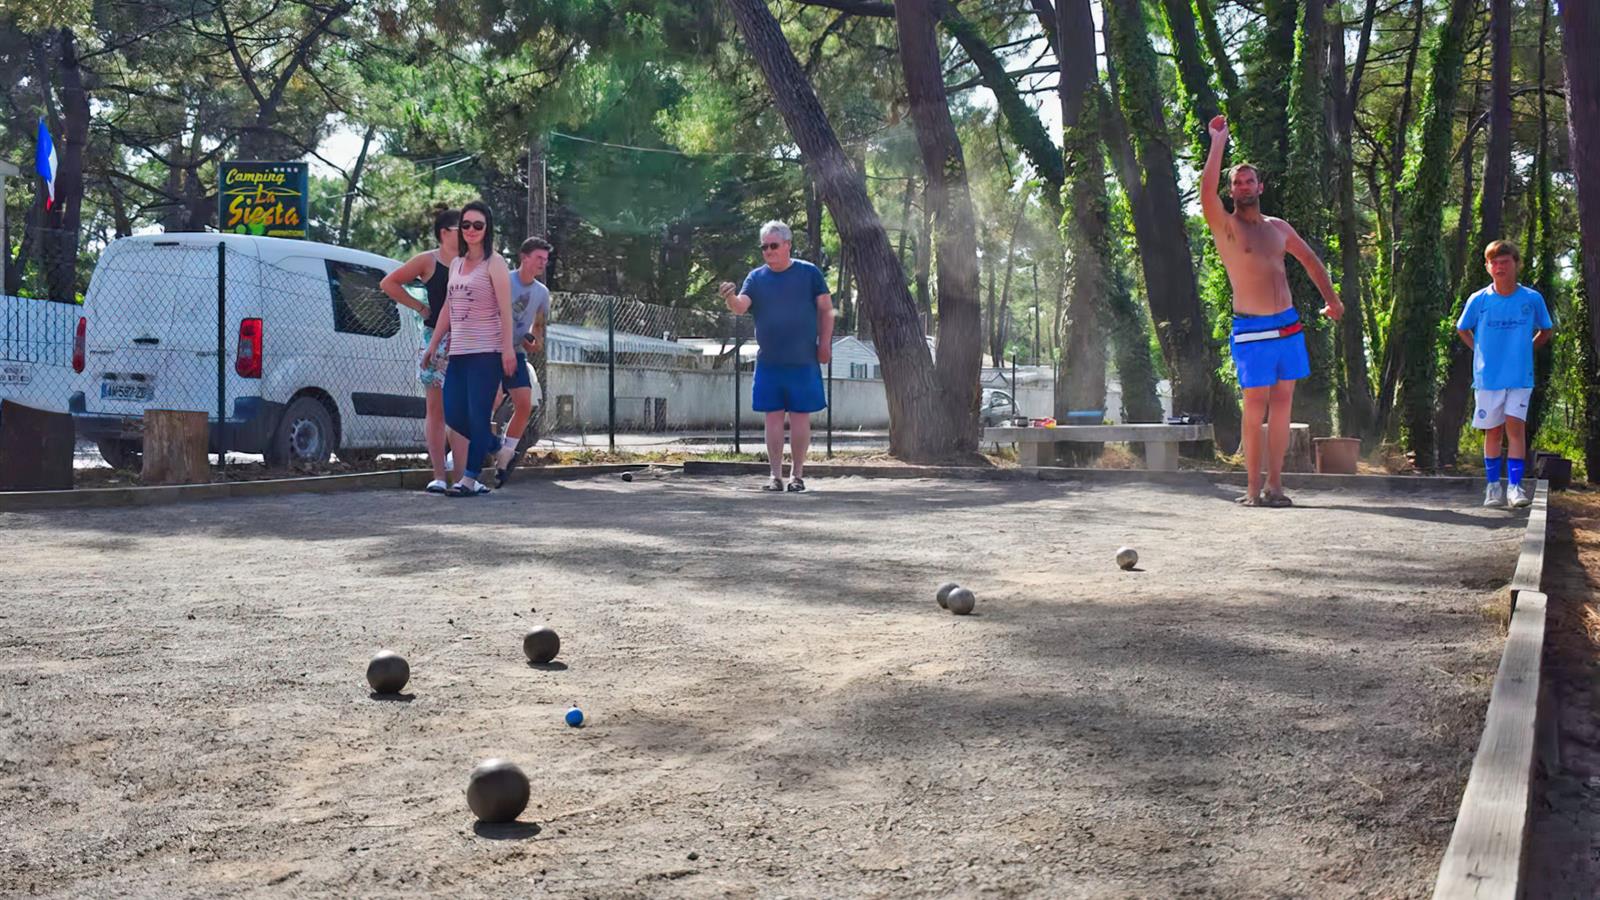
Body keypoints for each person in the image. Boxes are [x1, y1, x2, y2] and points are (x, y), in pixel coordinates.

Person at [1201, 115, 1343, 507]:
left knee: (1283, 407)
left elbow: (1312, 262)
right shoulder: (1226, 227)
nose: (1244, 187)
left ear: (1260, 187)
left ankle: (1275, 485)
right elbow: (1205, 191)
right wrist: (1218, 142)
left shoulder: (1279, 227)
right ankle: (1250, 488)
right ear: (1231, 191)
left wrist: (1331, 299)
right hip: (1251, 331)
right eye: (1237, 183)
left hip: (1288, 327)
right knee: (1255, 406)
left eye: (1249, 181)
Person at [718, 221, 833, 493]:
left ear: (787, 245)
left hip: (803, 359)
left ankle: (797, 476)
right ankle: (775, 476)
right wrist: (730, 297)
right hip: (770, 361)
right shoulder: (756, 278)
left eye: (773, 246)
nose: (768, 251)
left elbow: (826, 310)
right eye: (764, 247)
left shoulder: (809, 273)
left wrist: (825, 344)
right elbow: (740, 307)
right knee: (772, 418)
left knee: (800, 417)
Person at [422, 200, 516, 497]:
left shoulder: (495, 263)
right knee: (452, 414)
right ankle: (497, 448)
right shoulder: (457, 264)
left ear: (487, 229)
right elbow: (448, 307)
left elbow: (505, 309)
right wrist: (434, 345)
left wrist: (507, 351)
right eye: (466, 225)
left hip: (486, 351)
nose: (471, 230)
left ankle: (470, 480)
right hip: (457, 351)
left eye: (478, 225)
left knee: (477, 416)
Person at [1455, 240, 1554, 508]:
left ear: (1516, 264)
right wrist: (1479, 350)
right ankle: (1493, 488)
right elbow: (1463, 328)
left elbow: (1546, 329)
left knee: (1516, 429)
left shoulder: (1532, 299)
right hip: (1488, 378)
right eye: (1494, 263)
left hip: (1520, 377)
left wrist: (1526, 349)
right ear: (1487, 267)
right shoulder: (1479, 299)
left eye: (1505, 262)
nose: (1500, 267)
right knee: (1494, 432)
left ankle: (1515, 487)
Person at [380, 206, 459, 493]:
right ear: (444, 232)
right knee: (435, 409)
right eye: (460, 228)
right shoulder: (428, 260)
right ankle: (439, 474)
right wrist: (420, 307)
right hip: (435, 339)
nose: (468, 233)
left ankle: (463, 474)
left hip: (470, 341)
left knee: (465, 409)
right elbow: (389, 283)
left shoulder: (474, 262)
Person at [492, 236, 552, 488]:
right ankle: (483, 451)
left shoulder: (541, 292)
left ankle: (506, 454)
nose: (542, 263)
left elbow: (538, 329)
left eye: (546, 260)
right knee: (490, 403)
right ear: (523, 257)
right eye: (538, 258)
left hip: (516, 353)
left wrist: (533, 342)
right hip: (490, 350)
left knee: (524, 404)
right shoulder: (503, 279)